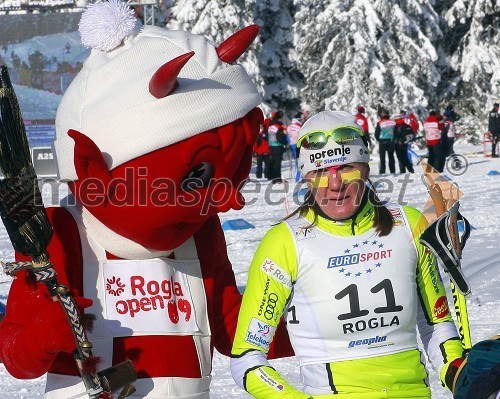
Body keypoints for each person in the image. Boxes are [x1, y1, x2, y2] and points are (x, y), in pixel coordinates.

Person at [0, 3, 293, 398]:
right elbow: (16, 357)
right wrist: (42, 335)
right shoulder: (60, 232)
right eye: (196, 179)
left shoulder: (199, 230)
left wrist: (306, 324)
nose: (224, 201)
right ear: (95, 171)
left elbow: (229, 325)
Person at [230, 110, 467, 398]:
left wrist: (458, 371)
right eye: (319, 172)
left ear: (365, 169)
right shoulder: (284, 242)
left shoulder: (409, 224)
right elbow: (247, 358)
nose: (334, 184)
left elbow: (436, 326)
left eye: (345, 167)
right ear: (305, 179)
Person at [267, 110, 288, 183]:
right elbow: (280, 137)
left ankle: (271, 176)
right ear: (279, 118)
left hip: (271, 146)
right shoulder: (278, 126)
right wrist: (285, 142)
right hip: (278, 146)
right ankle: (277, 178)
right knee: (277, 163)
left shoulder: (271, 126)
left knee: (273, 161)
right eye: (281, 117)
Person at [374, 109, 396, 174]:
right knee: (391, 157)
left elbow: (376, 133)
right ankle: (392, 171)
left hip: (382, 142)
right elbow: (396, 132)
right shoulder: (393, 122)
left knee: (382, 158)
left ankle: (382, 171)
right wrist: (393, 139)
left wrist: (379, 140)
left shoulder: (380, 123)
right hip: (391, 141)